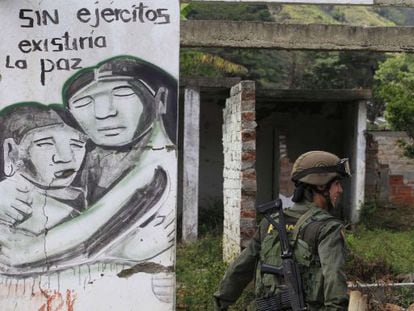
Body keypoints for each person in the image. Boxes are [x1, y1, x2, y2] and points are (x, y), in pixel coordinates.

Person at [214, 150, 350, 311]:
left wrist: (219, 304)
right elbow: (334, 281)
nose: (340, 190)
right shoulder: (328, 228)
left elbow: (240, 269)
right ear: (321, 185)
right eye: (337, 184)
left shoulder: (271, 223)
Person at [0, 103, 87, 234]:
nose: (66, 158)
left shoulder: (84, 194)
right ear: (11, 151)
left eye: (77, 144)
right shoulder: (13, 207)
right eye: (45, 143)